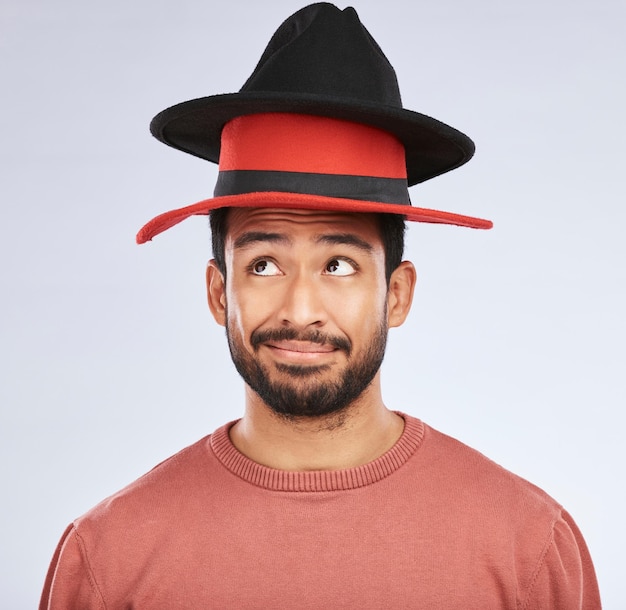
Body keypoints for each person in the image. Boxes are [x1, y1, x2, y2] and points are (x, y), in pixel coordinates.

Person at [40, 3, 601, 608]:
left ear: (397, 294)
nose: (300, 308)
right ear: (217, 291)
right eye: (263, 264)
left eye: (339, 265)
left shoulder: (528, 548)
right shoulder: (108, 558)